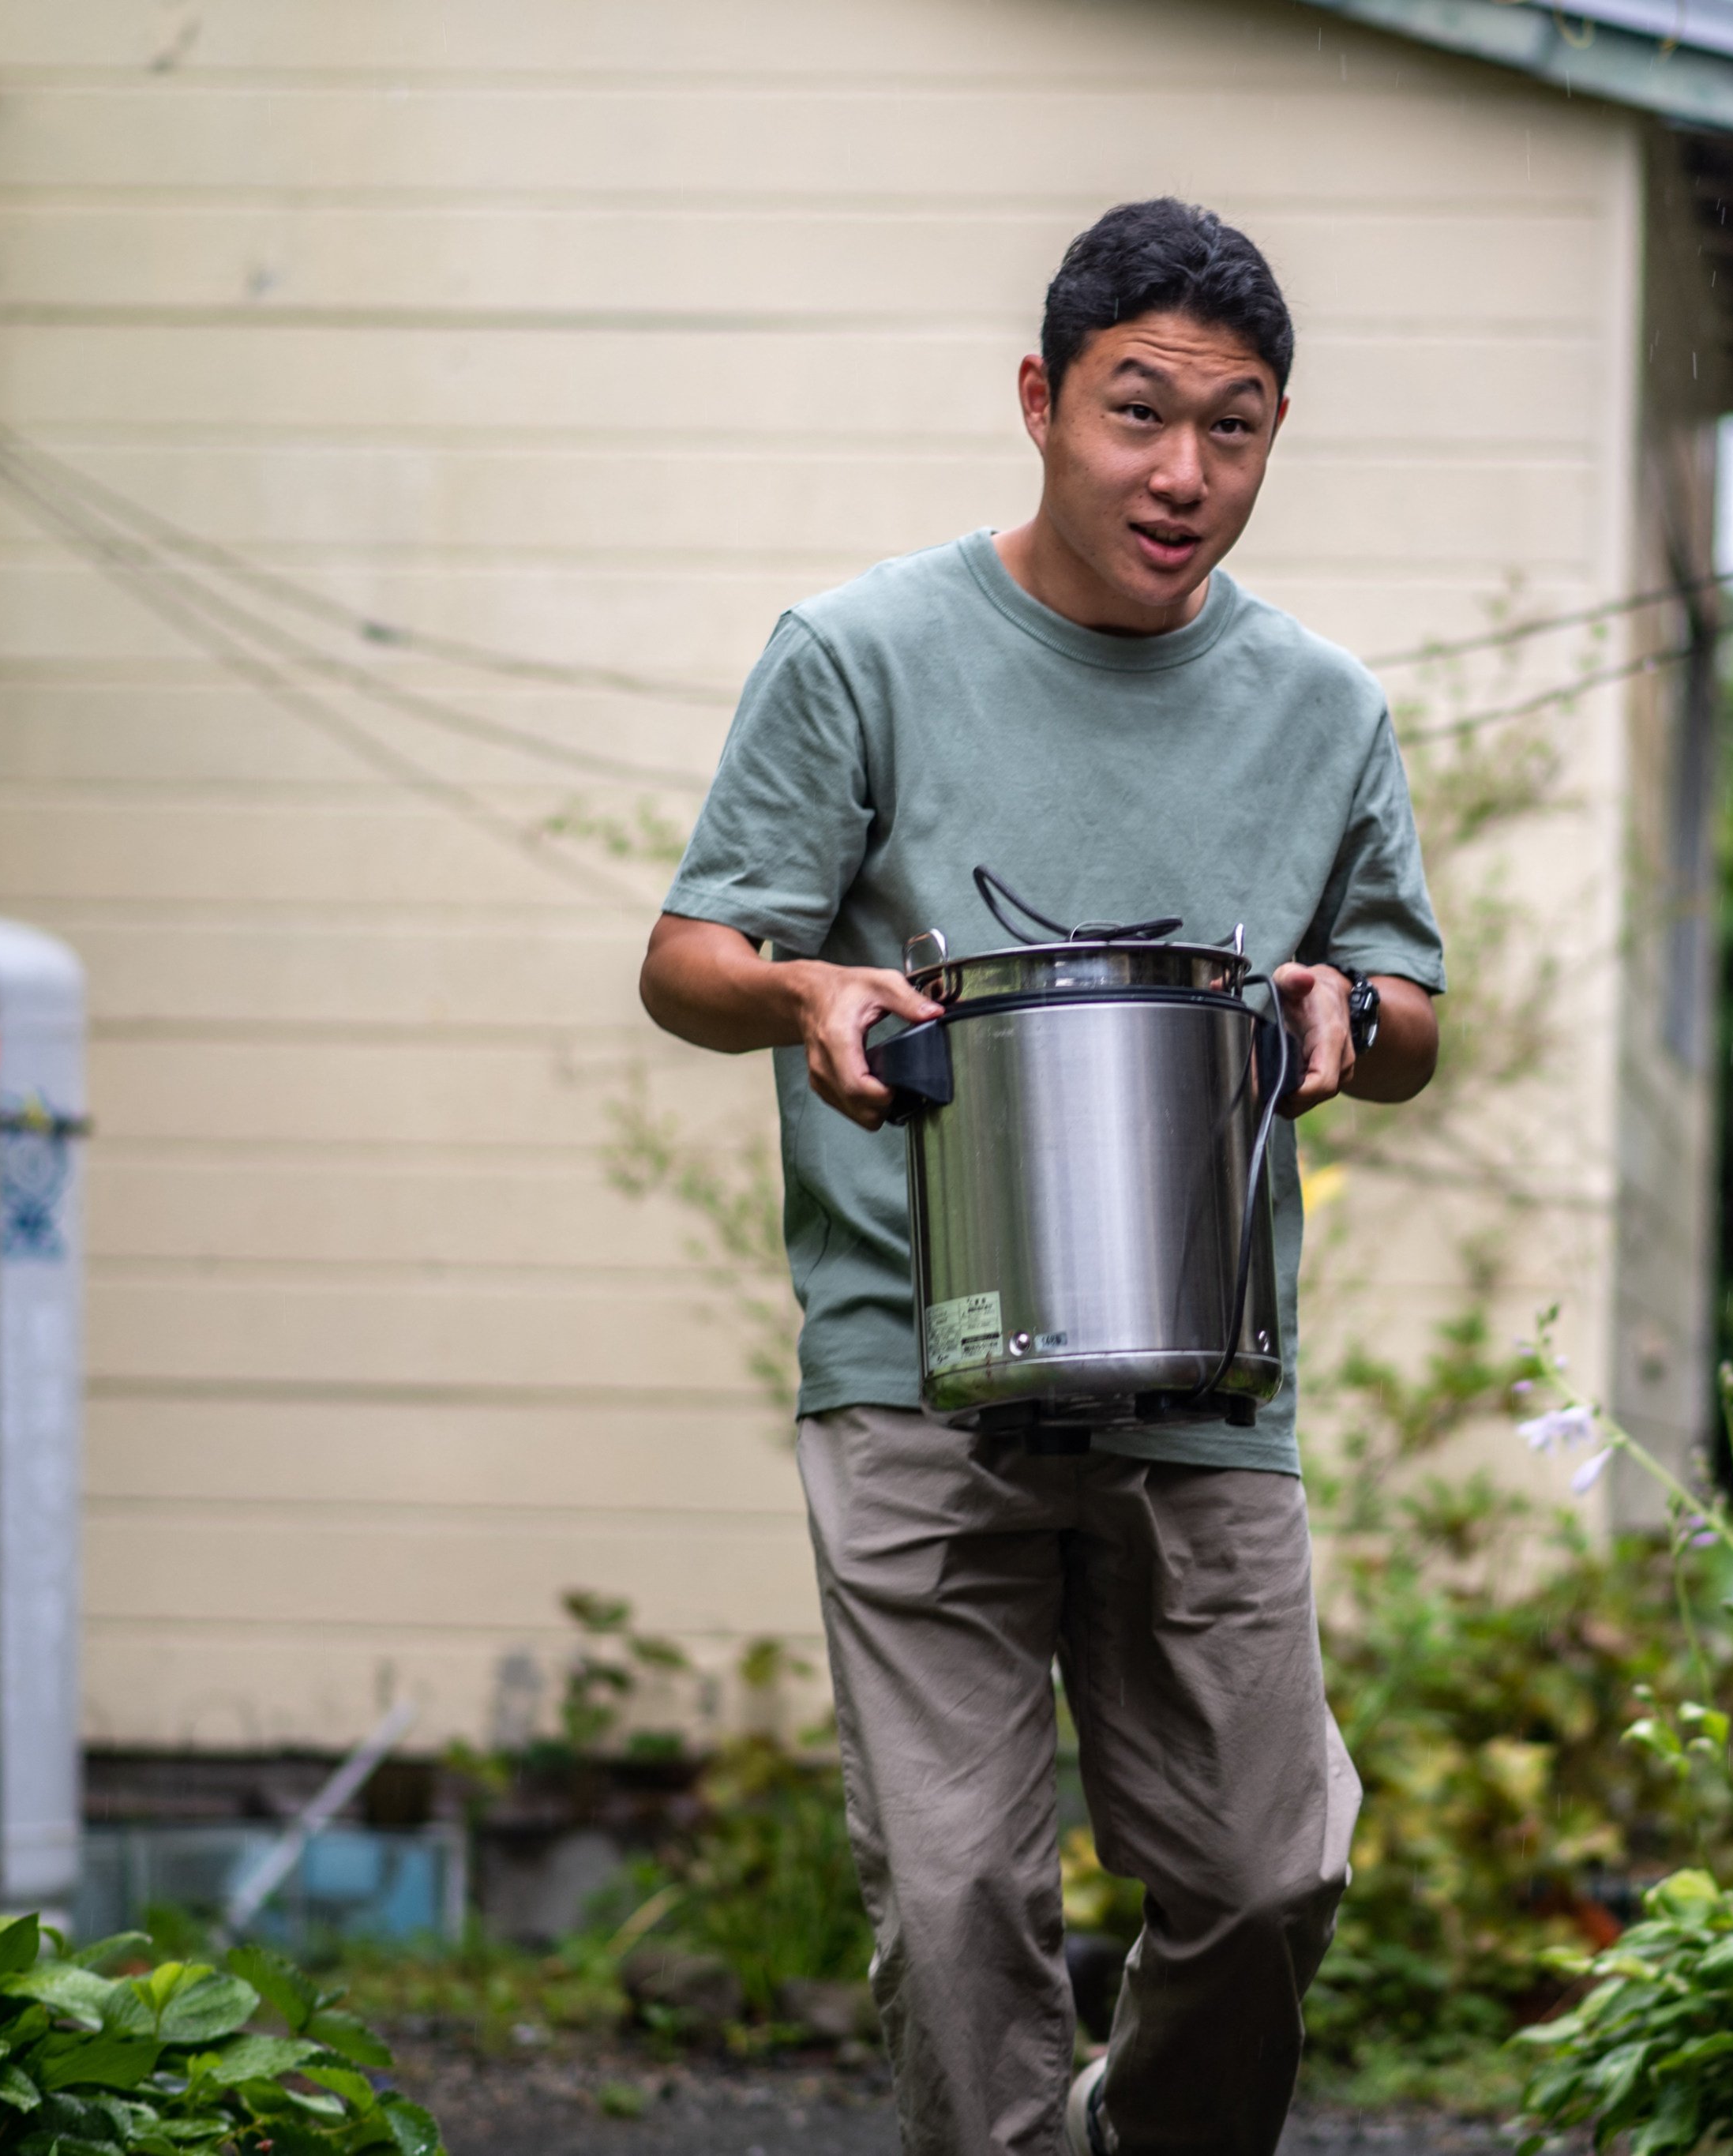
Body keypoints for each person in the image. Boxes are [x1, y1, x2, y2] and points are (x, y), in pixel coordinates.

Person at [638, 197, 1443, 2156]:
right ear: (1040, 401)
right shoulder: (859, 657)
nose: (1183, 475)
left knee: (1266, 1877)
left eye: (1234, 427)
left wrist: (1352, 1011)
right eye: (1137, 413)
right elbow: (688, 961)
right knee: (953, 1906)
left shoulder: (1321, 708)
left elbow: (1407, 1001)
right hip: (916, 1364)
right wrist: (813, 988)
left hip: (1204, 1376)